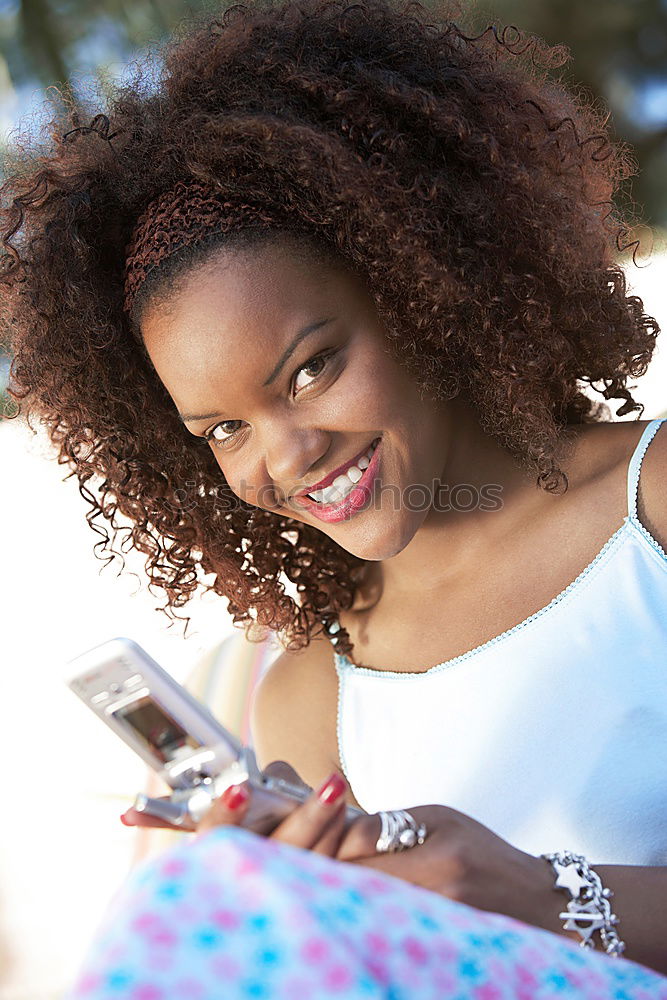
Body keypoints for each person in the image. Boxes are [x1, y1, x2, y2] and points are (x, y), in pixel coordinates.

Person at [3, 0, 666, 989]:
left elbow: (511, 907)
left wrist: (542, 894)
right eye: (224, 428)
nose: (288, 453)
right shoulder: (313, 688)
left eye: (309, 369)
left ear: (421, 289)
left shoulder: (647, 507)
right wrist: (299, 886)